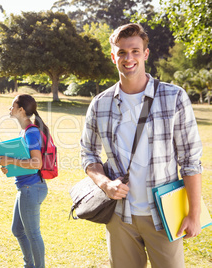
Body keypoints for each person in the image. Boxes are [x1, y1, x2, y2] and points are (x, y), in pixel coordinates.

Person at [80, 23, 203, 267]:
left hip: (165, 215)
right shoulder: (99, 104)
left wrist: (194, 214)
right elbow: (88, 154)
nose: (129, 58)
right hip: (119, 216)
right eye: (122, 52)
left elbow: (190, 160)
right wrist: (106, 184)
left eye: (135, 51)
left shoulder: (174, 97)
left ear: (145, 54)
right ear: (113, 56)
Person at [0, 94, 48, 268]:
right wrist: (8, 167)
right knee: (18, 230)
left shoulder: (32, 132)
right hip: (26, 186)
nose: (9, 109)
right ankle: (30, 265)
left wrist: (10, 161)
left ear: (21, 110)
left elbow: (37, 162)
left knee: (33, 233)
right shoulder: (24, 132)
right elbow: (27, 162)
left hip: (31, 187)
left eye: (12, 106)